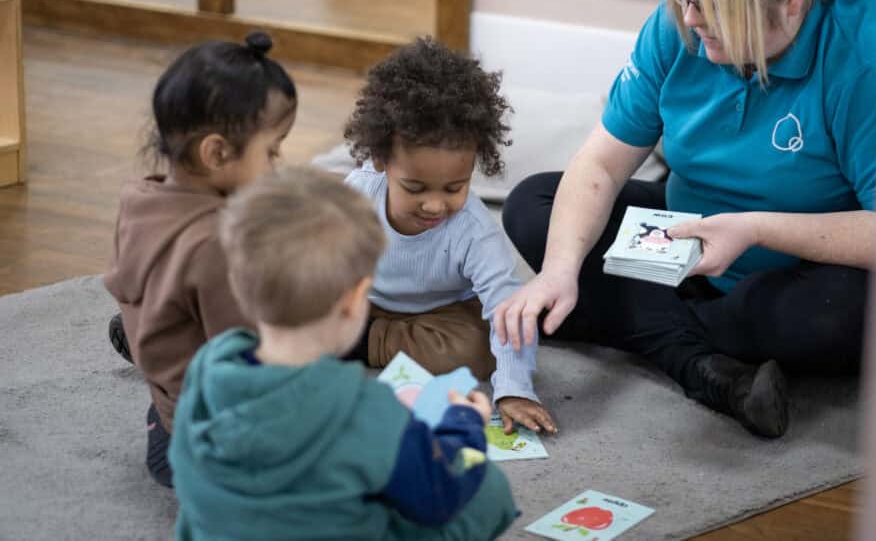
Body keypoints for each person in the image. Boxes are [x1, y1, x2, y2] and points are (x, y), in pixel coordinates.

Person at [495, 0, 876, 438]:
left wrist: (757, 229)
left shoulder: (873, 56)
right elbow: (602, 162)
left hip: (802, 261)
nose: (687, 17)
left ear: (792, 2)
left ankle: (666, 334)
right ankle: (705, 360)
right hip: (691, 228)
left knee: (840, 315)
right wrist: (561, 270)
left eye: (711, 3)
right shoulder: (678, 22)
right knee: (533, 203)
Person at [169, 167, 518, 541]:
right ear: (356, 300)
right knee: (487, 491)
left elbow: (185, 468)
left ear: (238, 287)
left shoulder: (209, 366)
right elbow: (438, 497)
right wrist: (463, 425)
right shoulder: (368, 409)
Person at [334, 37, 556, 435]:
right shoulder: (359, 191)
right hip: (364, 301)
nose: (435, 206)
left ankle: (356, 344)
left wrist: (514, 388)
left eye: (455, 188)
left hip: (442, 316)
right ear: (381, 161)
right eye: (416, 188)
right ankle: (352, 334)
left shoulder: (475, 230)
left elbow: (506, 309)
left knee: (477, 347)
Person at [103, 32, 296, 485]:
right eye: (271, 150)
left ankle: (160, 367)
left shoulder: (141, 196)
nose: (279, 161)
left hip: (170, 391)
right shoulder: (216, 247)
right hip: (205, 436)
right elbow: (246, 364)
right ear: (216, 153)